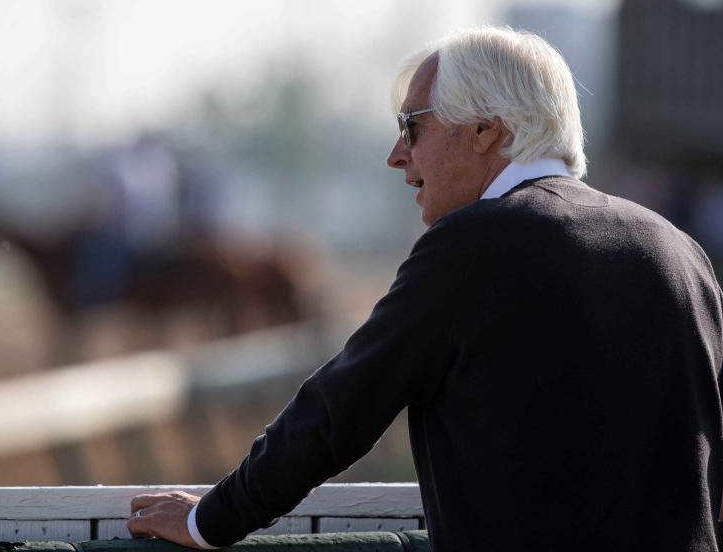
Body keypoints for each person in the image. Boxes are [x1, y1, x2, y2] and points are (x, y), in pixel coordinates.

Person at [125, 27, 723, 550]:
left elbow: (340, 410)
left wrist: (211, 519)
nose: (396, 156)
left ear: (486, 130)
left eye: (412, 128)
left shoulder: (472, 244)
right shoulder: (678, 251)